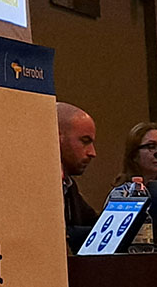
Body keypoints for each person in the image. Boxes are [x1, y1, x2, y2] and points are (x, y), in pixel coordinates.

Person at [57, 102, 99, 246]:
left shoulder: (69, 186)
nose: (92, 153)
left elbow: (95, 225)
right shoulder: (30, 188)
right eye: (85, 141)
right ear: (56, 137)